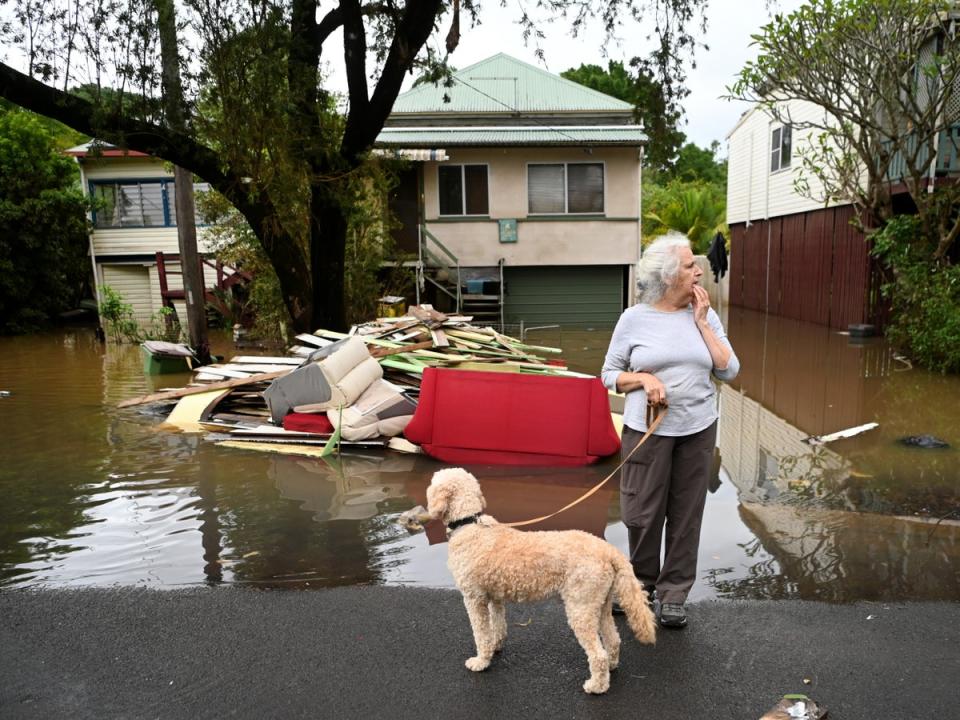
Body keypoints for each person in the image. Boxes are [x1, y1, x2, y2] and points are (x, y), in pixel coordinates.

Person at [601, 233, 739, 629]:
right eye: (690, 265)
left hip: (697, 429)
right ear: (668, 276)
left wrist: (702, 324)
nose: (699, 270)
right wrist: (643, 379)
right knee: (642, 513)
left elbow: (729, 370)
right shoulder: (634, 319)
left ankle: (674, 593)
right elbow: (608, 376)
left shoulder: (706, 315)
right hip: (647, 430)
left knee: (686, 513)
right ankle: (639, 586)